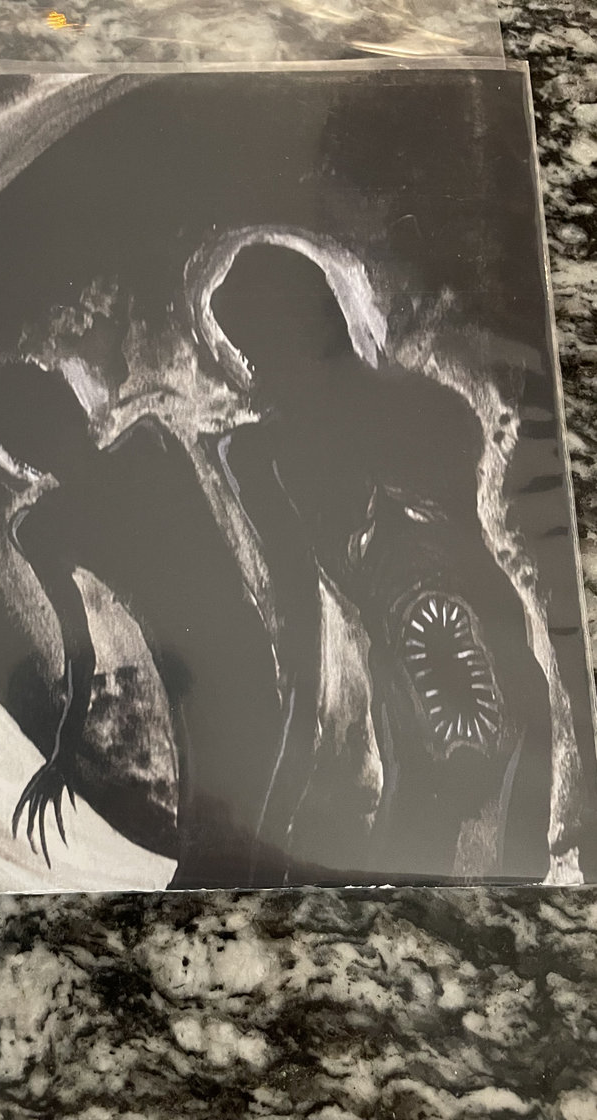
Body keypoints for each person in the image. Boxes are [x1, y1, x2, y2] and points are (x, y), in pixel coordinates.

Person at [206, 238, 552, 880]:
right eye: (248, 356)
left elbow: (304, 634)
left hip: (486, 684)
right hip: (440, 689)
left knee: (489, 892)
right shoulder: (277, 455)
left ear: (308, 328)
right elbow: (302, 635)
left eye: (260, 351)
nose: (254, 376)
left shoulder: (284, 453)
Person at [0, 359, 311, 888]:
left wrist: (65, 752)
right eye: (34, 434)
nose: (50, 442)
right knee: (218, 847)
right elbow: (81, 650)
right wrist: (64, 752)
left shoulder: (140, 452)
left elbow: (212, 560)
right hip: (205, 666)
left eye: (44, 422)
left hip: (227, 653)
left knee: (227, 845)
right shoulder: (58, 516)